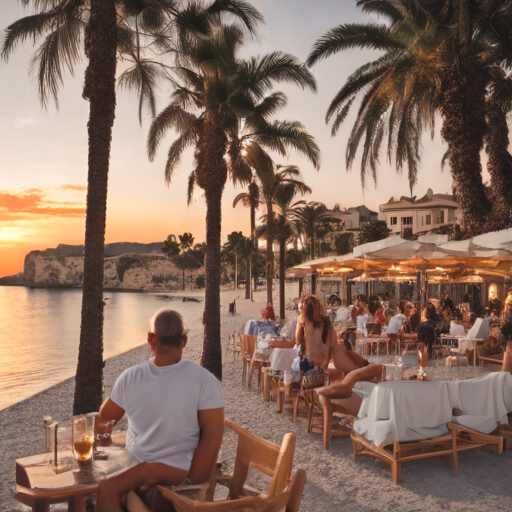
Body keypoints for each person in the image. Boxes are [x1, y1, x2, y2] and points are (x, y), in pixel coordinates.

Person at [95, 308, 225, 512]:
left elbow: (103, 421)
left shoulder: (130, 378)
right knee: (126, 494)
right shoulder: (205, 381)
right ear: (184, 340)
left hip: (152, 468)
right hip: (178, 470)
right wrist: (193, 484)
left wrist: (188, 491)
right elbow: (212, 439)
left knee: (106, 488)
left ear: (150, 339)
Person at [297, 295, 382, 399]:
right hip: (319, 363)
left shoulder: (302, 321)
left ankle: (361, 372)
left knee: (345, 352)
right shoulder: (325, 322)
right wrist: (326, 362)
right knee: (339, 351)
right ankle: (362, 374)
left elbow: (298, 341)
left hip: (308, 363)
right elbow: (330, 345)